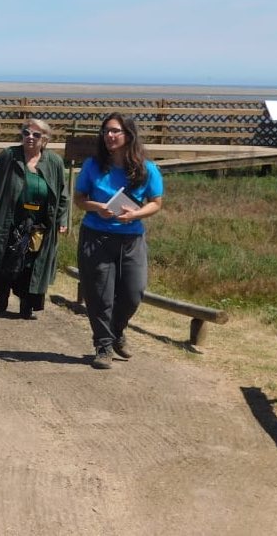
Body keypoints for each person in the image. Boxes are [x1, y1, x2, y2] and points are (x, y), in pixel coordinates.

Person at [74, 113, 164, 370]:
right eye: (106, 132)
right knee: (100, 295)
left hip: (131, 238)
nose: (109, 136)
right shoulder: (93, 165)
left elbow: (155, 203)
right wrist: (96, 207)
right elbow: (79, 199)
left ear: (128, 135)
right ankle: (103, 346)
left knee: (133, 293)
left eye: (115, 131)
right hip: (96, 236)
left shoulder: (147, 169)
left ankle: (117, 330)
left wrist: (135, 214)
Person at [0, 118, 68, 320]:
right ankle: (2, 292)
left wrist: (62, 220)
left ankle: (27, 304)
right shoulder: (9, 156)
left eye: (36, 135)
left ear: (45, 139)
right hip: (9, 218)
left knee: (31, 263)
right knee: (6, 258)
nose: (30, 138)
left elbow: (62, 195)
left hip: (39, 222)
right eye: (26, 133)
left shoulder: (54, 162)